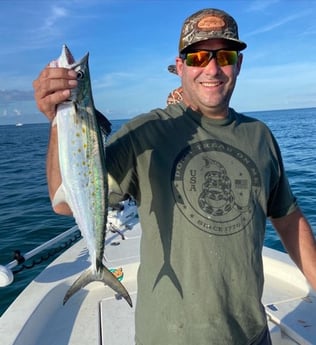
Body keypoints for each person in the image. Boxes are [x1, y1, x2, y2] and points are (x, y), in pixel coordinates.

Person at [33, 8, 316, 345]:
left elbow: (287, 217)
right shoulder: (145, 132)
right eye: (197, 56)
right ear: (180, 66)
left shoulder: (261, 135)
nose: (211, 68)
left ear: (238, 64)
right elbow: (66, 200)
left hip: (252, 335)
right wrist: (59, 120)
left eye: (224, 55)